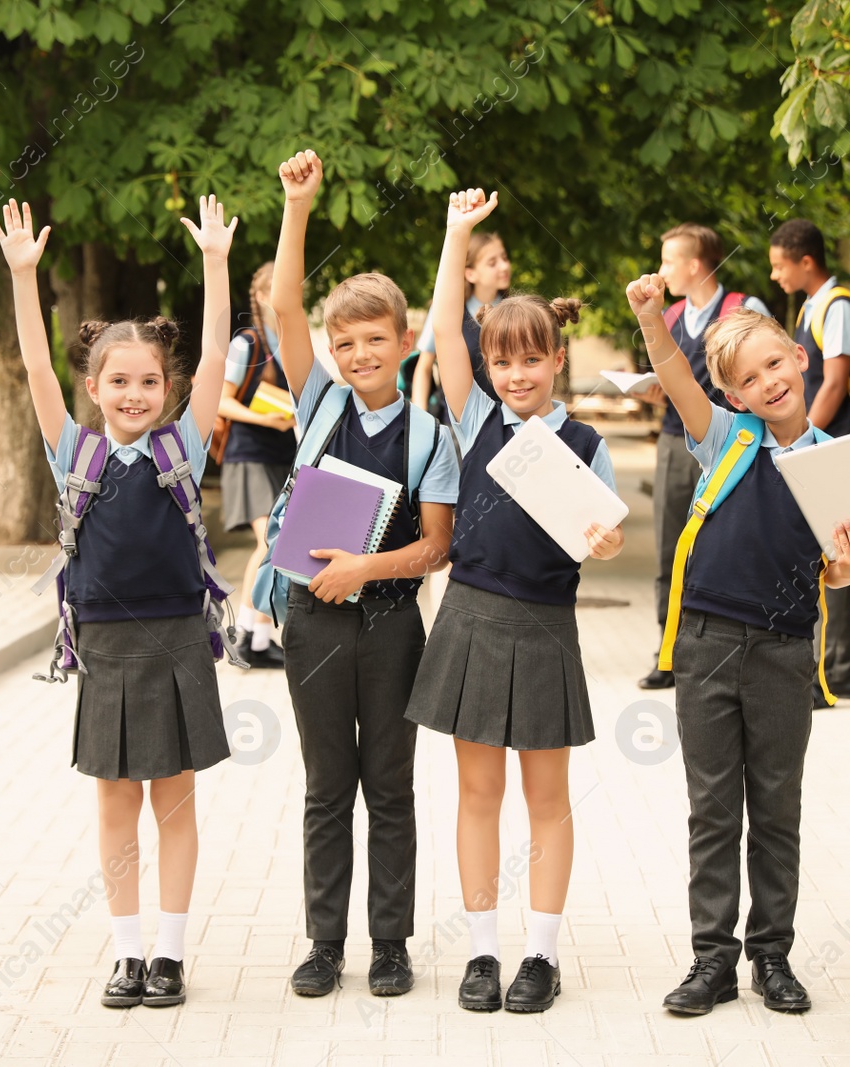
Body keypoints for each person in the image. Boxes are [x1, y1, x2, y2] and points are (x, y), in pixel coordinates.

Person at [0, 195, 239, 1010]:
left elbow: (213, 356)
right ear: (94, 386)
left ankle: (171, 956)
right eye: (118, 381)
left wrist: (213, 262)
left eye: (148, 381)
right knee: (114, 808)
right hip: (103, 647)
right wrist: (25, 278)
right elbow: (33, 367)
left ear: (168, 389)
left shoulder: (183, 443)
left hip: (176, 643)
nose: (134, 394)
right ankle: (126, 955)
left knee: (175, 804)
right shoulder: (77, 453)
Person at [625, 270, 850, 1019]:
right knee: (712, 808)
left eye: (775, 363)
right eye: (748, 377)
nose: (767, 380)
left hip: (783, 650)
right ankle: (712, 959)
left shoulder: (835, 459)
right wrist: (648, 318)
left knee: (775, 806)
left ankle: (772, 955)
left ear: (801, 360)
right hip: (704, 642)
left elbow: (840, 564)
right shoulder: (726, 438)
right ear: (732, 395)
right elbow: (672, 373)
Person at [406, 187, 625, 1016]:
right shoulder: (470, 417)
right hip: (468, 617)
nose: (516, 374)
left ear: (557, 359)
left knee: (547, 799)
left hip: (544, 628)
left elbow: (601, 536)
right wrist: (457, 234)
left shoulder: (586, 444)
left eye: (532, 360)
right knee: (475, 795)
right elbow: (442, 326)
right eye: (503, 362)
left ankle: (540, 953)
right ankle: (482, 951)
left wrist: (603, 545)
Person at [267, 150, 461, 999]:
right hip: (312, 621)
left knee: (389, 783)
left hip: (389, 625)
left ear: (404, 339)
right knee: (323, 787)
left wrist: (363, 569)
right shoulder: (319, 403)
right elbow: (282, 304)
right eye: (343, 343)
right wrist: (297, 204)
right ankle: (322, 941)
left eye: (372, 340)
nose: (355, 354)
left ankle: (390, 943)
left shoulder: (428, 438)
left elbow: (437, 548)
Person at [638, 223, 771, 690]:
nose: (662, 268)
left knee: (723, 545)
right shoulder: (669, 315)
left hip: (735, 444)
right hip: (677, 439)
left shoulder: (743, 310)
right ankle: (667, 648)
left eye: (669, 259)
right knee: (669, 544)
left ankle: (729, 645)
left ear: (695, 265)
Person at [769, 218, 850, 705]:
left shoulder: (839, 307)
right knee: (821, 553)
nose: (774, 276)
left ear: (805, 261)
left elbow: (833, 382)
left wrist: (806, 441)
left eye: (779, 265)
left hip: (835, 445)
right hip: (823, 442)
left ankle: (839, 669)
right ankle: (824, 667)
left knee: (841, 550)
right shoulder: (814, 306)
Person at [216, 261, 296, 668]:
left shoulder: (288, 342)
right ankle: (248, 637)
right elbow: (221, 400)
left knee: (277, 546)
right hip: (249, 455)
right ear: (263, 295)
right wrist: (264, 418)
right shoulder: (247, 342)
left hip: (281, 455)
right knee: (271, 543)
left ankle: (258, 638)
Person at [411, 230, 508, 419]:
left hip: (507, 424)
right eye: (492, 262)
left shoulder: (517, 310)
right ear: (470, 273)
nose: (504, 266)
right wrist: (420, 421)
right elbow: (423, 368)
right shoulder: (446, 311)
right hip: (458, 428)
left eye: (504, 258)